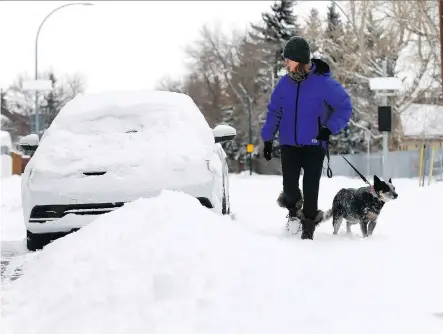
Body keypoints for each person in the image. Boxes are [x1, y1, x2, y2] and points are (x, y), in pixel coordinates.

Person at [261, 36, 353, 240]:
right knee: (289, 187)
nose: (285, 63)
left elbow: (345, 107)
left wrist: (329, 129)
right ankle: (294, 213)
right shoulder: (284, 84)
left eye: (289, 59)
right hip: (289, 145)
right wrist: (268, 138)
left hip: (314, 144)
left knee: (311, 188)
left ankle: (309, 226)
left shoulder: (324, 83)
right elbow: (274, 111)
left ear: (300, 60)